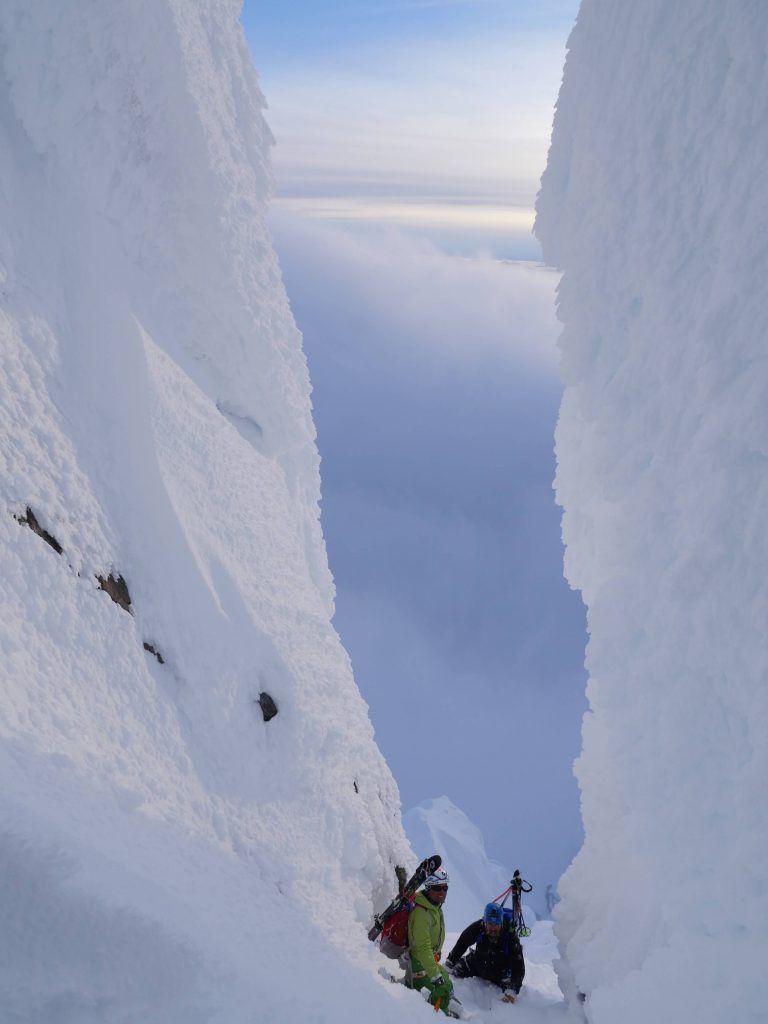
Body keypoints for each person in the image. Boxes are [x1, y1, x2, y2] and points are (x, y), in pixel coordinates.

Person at [445, 902, 525, 1003]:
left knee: (507, 996)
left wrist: (513, 990)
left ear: (501, 923)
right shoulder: (479, 927)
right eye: (490, 924)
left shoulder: (510, 936)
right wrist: (450, 962)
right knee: (456, 970)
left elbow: (519, 968)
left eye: (496, 924)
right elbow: (463, 942)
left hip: (501, 974)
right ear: (485, 921)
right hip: (478, 963)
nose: (493, 928)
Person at [406, 868, 455, 1014]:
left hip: (427, 961)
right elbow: (422, 948)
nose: (442, 892)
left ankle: (435, 1007)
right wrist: (435, 977)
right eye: (437, 887)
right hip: (418, 963)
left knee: (448, 985)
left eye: (445, 887)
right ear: (428, 888)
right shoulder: (422, 912)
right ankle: (434, 1015)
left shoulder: (434, 906)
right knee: (443, 989)